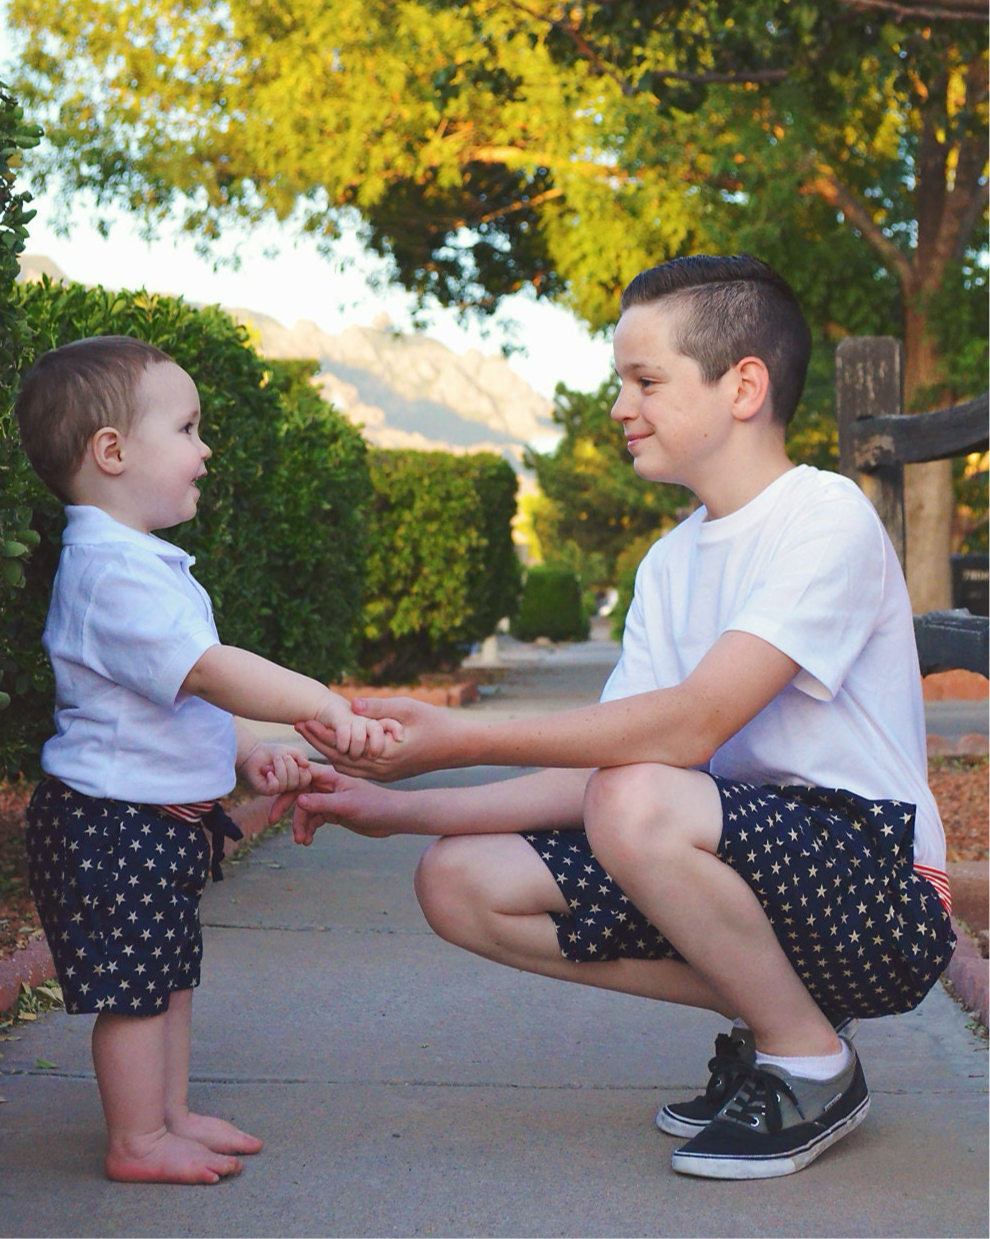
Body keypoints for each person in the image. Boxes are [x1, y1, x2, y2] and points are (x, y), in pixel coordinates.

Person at [283, 254, 956, 1181]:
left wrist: (466, 734)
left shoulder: (823, 516)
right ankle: (780, 1019)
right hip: (746, 864)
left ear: (744, 386)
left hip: (880, 890)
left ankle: (810, 1060)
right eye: (619, 383)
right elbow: (590, 779)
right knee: (459, 880)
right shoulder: (669, 564)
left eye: (646, 380)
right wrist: (396, 800)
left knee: (641, 795)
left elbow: (685, 730)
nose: (619, 406)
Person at [14, 336, 400, 1186]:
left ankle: (168, 1113)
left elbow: (174, 693)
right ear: (111, 453)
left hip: (146, 822)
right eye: (188, 428)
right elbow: (207, 667)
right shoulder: (110, 570)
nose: (205, 448)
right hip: (112, 826)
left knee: (167, 974)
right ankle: (136, 1138)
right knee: (137, 993)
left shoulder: (138, 562)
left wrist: (248, 749)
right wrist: (316, 702)